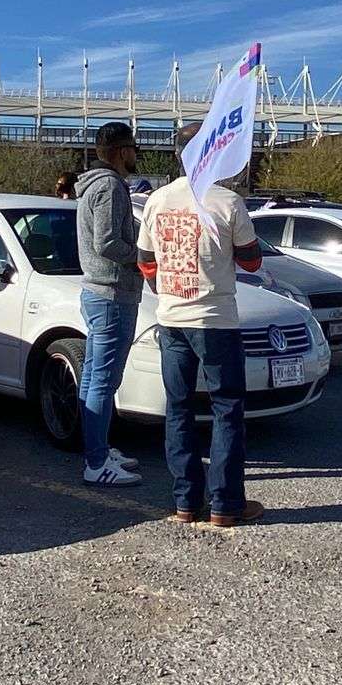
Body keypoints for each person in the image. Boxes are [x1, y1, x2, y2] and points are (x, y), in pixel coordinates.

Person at [136, 123, 265, 527]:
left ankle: (185, 503)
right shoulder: (228, 202)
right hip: (215, 321)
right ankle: (226, 505)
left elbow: (145, 260)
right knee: (227, 409)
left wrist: (166, 289)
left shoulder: (157, 200)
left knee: (179, 409)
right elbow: (252, 261)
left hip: (172, 318)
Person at [72, 123, 142, 486]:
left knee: (93, 378)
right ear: (121, 151)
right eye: (134, 148)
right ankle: (97, 463)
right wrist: (143, 256)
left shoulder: (94, 185)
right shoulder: (110, 186)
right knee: (103, 380)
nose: (136, 154)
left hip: (99, 292)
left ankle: (97, 449)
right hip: (111, 295)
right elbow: (108, 243)